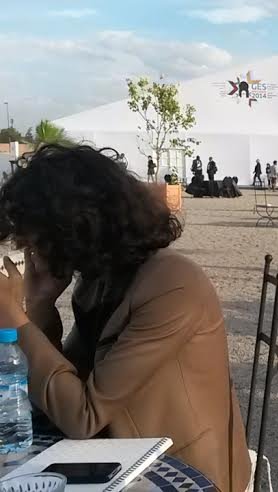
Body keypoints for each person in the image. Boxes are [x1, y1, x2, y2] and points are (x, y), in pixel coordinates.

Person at [0, 145, 250, 491]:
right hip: (118, 457)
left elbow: (82, 416)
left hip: (180, 471)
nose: (31, 253)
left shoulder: (173, 285)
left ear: (75, 228)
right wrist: (40, 305)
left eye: (35, 241)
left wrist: (12, 316)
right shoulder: (102, 280)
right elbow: (64, 392)